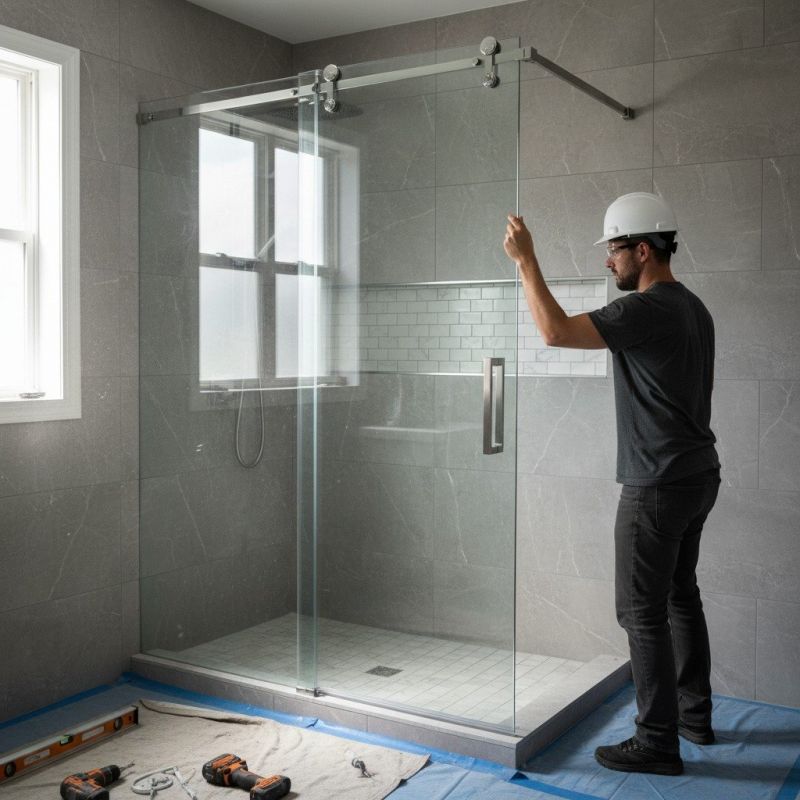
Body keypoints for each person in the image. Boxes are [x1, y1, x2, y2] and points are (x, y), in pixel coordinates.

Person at [503, 192, 720, 777]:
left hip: (658, 483)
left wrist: (526, 261)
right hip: (698, 474)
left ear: (642, 249)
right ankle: (694, 717)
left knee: (639, 611)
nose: (608, 263)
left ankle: (656, 740)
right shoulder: (693, 307)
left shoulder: (645, 309)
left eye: (614, 251)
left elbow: (553, 331)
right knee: (680, 595)